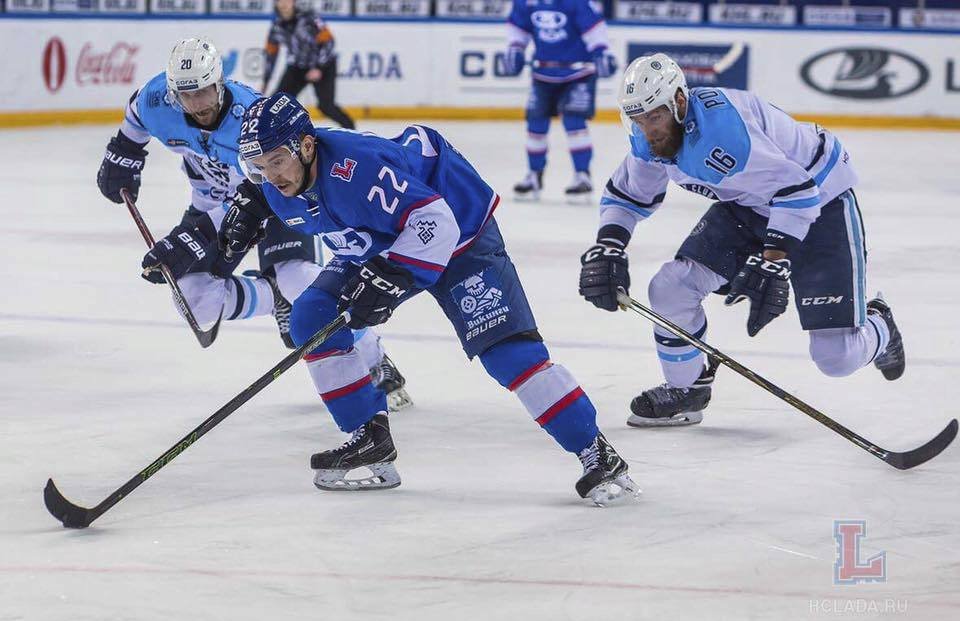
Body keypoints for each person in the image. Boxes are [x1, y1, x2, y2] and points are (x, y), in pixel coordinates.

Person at [218, 92, 639, 505]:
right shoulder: (276, 183)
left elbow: (435, 224)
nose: (271, 175)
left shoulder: (358, 169)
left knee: (507, 354)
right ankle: (369, 438)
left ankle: (595, 451)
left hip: (459, 233)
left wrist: (391, 279)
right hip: (378, 238)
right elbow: (276, 190)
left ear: (307, 147)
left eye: (277, 162)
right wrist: (253, 200)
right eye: (259, 166)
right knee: (311, 318)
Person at [578, 53, 905, 427]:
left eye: (654, 116)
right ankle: (687, 389)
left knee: (837, 357)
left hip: (821, 198)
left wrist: (774, 258)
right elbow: (628, 195)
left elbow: (797, 191)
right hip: (751, 201)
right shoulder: (651, 138)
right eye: (637, 118)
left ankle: (881, 324)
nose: (647, 128)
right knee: (671, 288)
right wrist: (609, 246)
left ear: (679, 103)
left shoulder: (723, 138)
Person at [95, 37, 410, 409]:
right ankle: (271, 295)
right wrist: (126, 150)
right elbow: (136, 111)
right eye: (185, 94)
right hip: (209, 206)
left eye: (203, 91)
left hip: (272, 200)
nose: (195, 104)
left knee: (301, 282)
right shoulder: (157, 99)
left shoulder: (249, 118)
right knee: (195, 303)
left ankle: (375, 361)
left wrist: (192, 239)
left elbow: (255, 196)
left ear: (220, 83)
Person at [502, 0, 618, 202]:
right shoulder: (527, 2)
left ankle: (582, 175)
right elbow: (518, 26)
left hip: (579, 74)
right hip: (543, 74)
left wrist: (601, 51)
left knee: (574, 122)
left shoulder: (576, 2)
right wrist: (515, 47)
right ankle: (534, 175)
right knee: (535, 124)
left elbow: (594, 28)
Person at [262, 0, 355, 130]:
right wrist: (266, 81)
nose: (283, 3)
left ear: (293, 2)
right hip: (297, 67)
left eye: (287, 0)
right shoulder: (276, 27)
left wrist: (319, 68)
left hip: (324, 65)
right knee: (277, 103)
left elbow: (329, 41)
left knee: (326, 106)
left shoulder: (309, 19)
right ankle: (273, 136)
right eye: (279, 1)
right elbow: (271, 55)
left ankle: (351, 130)